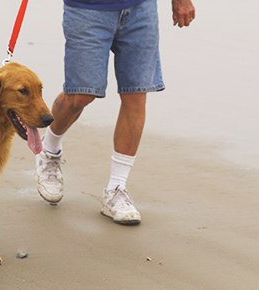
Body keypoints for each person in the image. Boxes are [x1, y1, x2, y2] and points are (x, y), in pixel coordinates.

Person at [35, 0, 195, 225]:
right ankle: (49, 151)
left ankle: (116, 189)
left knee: (136, 94)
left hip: (140, 8)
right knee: (81, 95)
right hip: (87, 9)